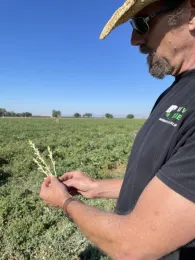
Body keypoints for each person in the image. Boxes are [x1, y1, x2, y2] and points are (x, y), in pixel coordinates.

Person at [40, 0, 195, 259]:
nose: (135, 40)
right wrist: (96, 186)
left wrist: (66, 203)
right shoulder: (175, 92)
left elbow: (134, 244)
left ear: (191, 14)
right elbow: (167, 186)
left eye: (141, 22)